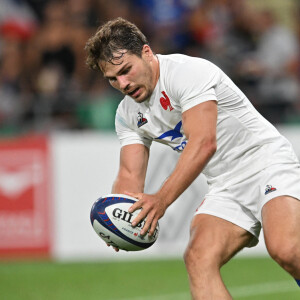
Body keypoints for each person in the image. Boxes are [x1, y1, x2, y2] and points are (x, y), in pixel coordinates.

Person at [85, 17, 300, 299]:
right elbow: (129, 175)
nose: (123, 83)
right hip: (225, 184)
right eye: (113, 79)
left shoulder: (186, 73)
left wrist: (161, 200)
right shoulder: (127, 115)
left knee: (286, 249)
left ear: (147, 53)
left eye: (126, 70)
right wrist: (119, 219)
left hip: (266, 162)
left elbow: (203, 143)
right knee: (198, 258)